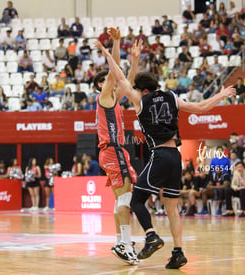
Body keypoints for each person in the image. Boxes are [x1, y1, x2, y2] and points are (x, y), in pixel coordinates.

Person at [95, 39, 236, 269]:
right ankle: (178, 252)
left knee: (137, 200)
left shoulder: (141, 101)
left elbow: (119, 78)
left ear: (143, 90)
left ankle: (151, 235)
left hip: (159, 155)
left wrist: (108, 52)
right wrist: (221, 95)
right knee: (171, 208)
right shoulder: (172, 97)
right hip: (175, 157)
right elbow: (201, 108)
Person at [92, 28, 139, 265]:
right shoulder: (105, 96)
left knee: (119, 199)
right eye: (101, 80)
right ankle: (125, 243)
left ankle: (120, 240)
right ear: (98, 86)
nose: (107, 81)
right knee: (126, 196)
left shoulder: (113, 100)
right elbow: (114, 71)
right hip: (113, 149)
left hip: (111, 151)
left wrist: (136, 60)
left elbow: (127, 80)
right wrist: (117, 42)